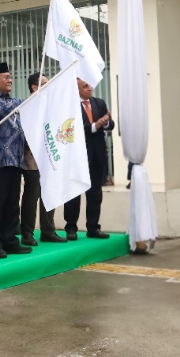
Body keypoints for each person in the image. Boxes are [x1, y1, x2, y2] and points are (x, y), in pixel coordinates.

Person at [0, 62, 30, 259]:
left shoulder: (10, 100)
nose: (10, 80)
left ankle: (10, 240)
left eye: (11, 77)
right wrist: (30, 101)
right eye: (6, 77)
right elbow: (4, 110)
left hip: (15, 159)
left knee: (12, 204)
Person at [21, 73, 66, 245]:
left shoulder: (50, 105)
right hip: (31, 157)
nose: (50, 86)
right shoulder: (28, 105)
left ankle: (48, 230)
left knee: (50, 192)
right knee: (32, 196)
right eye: (46, 83)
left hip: (49, 156)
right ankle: (27, 233)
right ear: (34, 86)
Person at [65, 79, 114, 240]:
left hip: (97, 155)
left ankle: (93, 227)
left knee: (95, 194)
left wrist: (105, 123)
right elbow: (72, 129)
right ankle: (71, 227)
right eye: (85, 86)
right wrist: (95, 125)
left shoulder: (99, 103)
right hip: (77, 157)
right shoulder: (70, 106)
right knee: (74, 194)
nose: (90, 89)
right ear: (76, 88)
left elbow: (110, 124)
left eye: (90, 85)